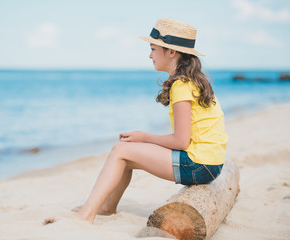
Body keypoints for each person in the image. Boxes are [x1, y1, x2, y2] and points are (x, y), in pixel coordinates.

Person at [44, 18, 228, 225]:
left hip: (199, 165)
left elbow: (181, 141)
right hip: (210, 163)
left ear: (171, 52)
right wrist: (142, 140)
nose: (149, 55)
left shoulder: (181, 86)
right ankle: (106, 207)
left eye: (153, 49)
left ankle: (85, 216)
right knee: (126, 154)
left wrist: (144, 136)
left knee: (121, 150)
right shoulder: (192, 81)